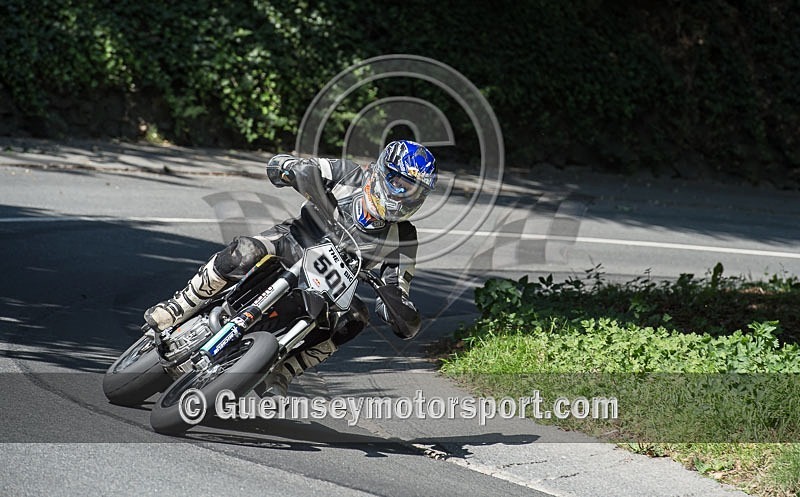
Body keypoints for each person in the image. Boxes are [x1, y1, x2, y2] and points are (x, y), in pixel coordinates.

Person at [143, 140, 437, 394]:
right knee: (245, 251)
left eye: (414, 191)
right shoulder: (349, 174)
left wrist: (401, 312)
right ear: (383, 172)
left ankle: (285, 370)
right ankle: (180, 305)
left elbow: (399, 289)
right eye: (400, 183)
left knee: (357, 318)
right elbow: (292, 166)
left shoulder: (404, 237)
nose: (404, 194)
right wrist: (290, 169)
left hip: (331, 287)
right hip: (293, 241)